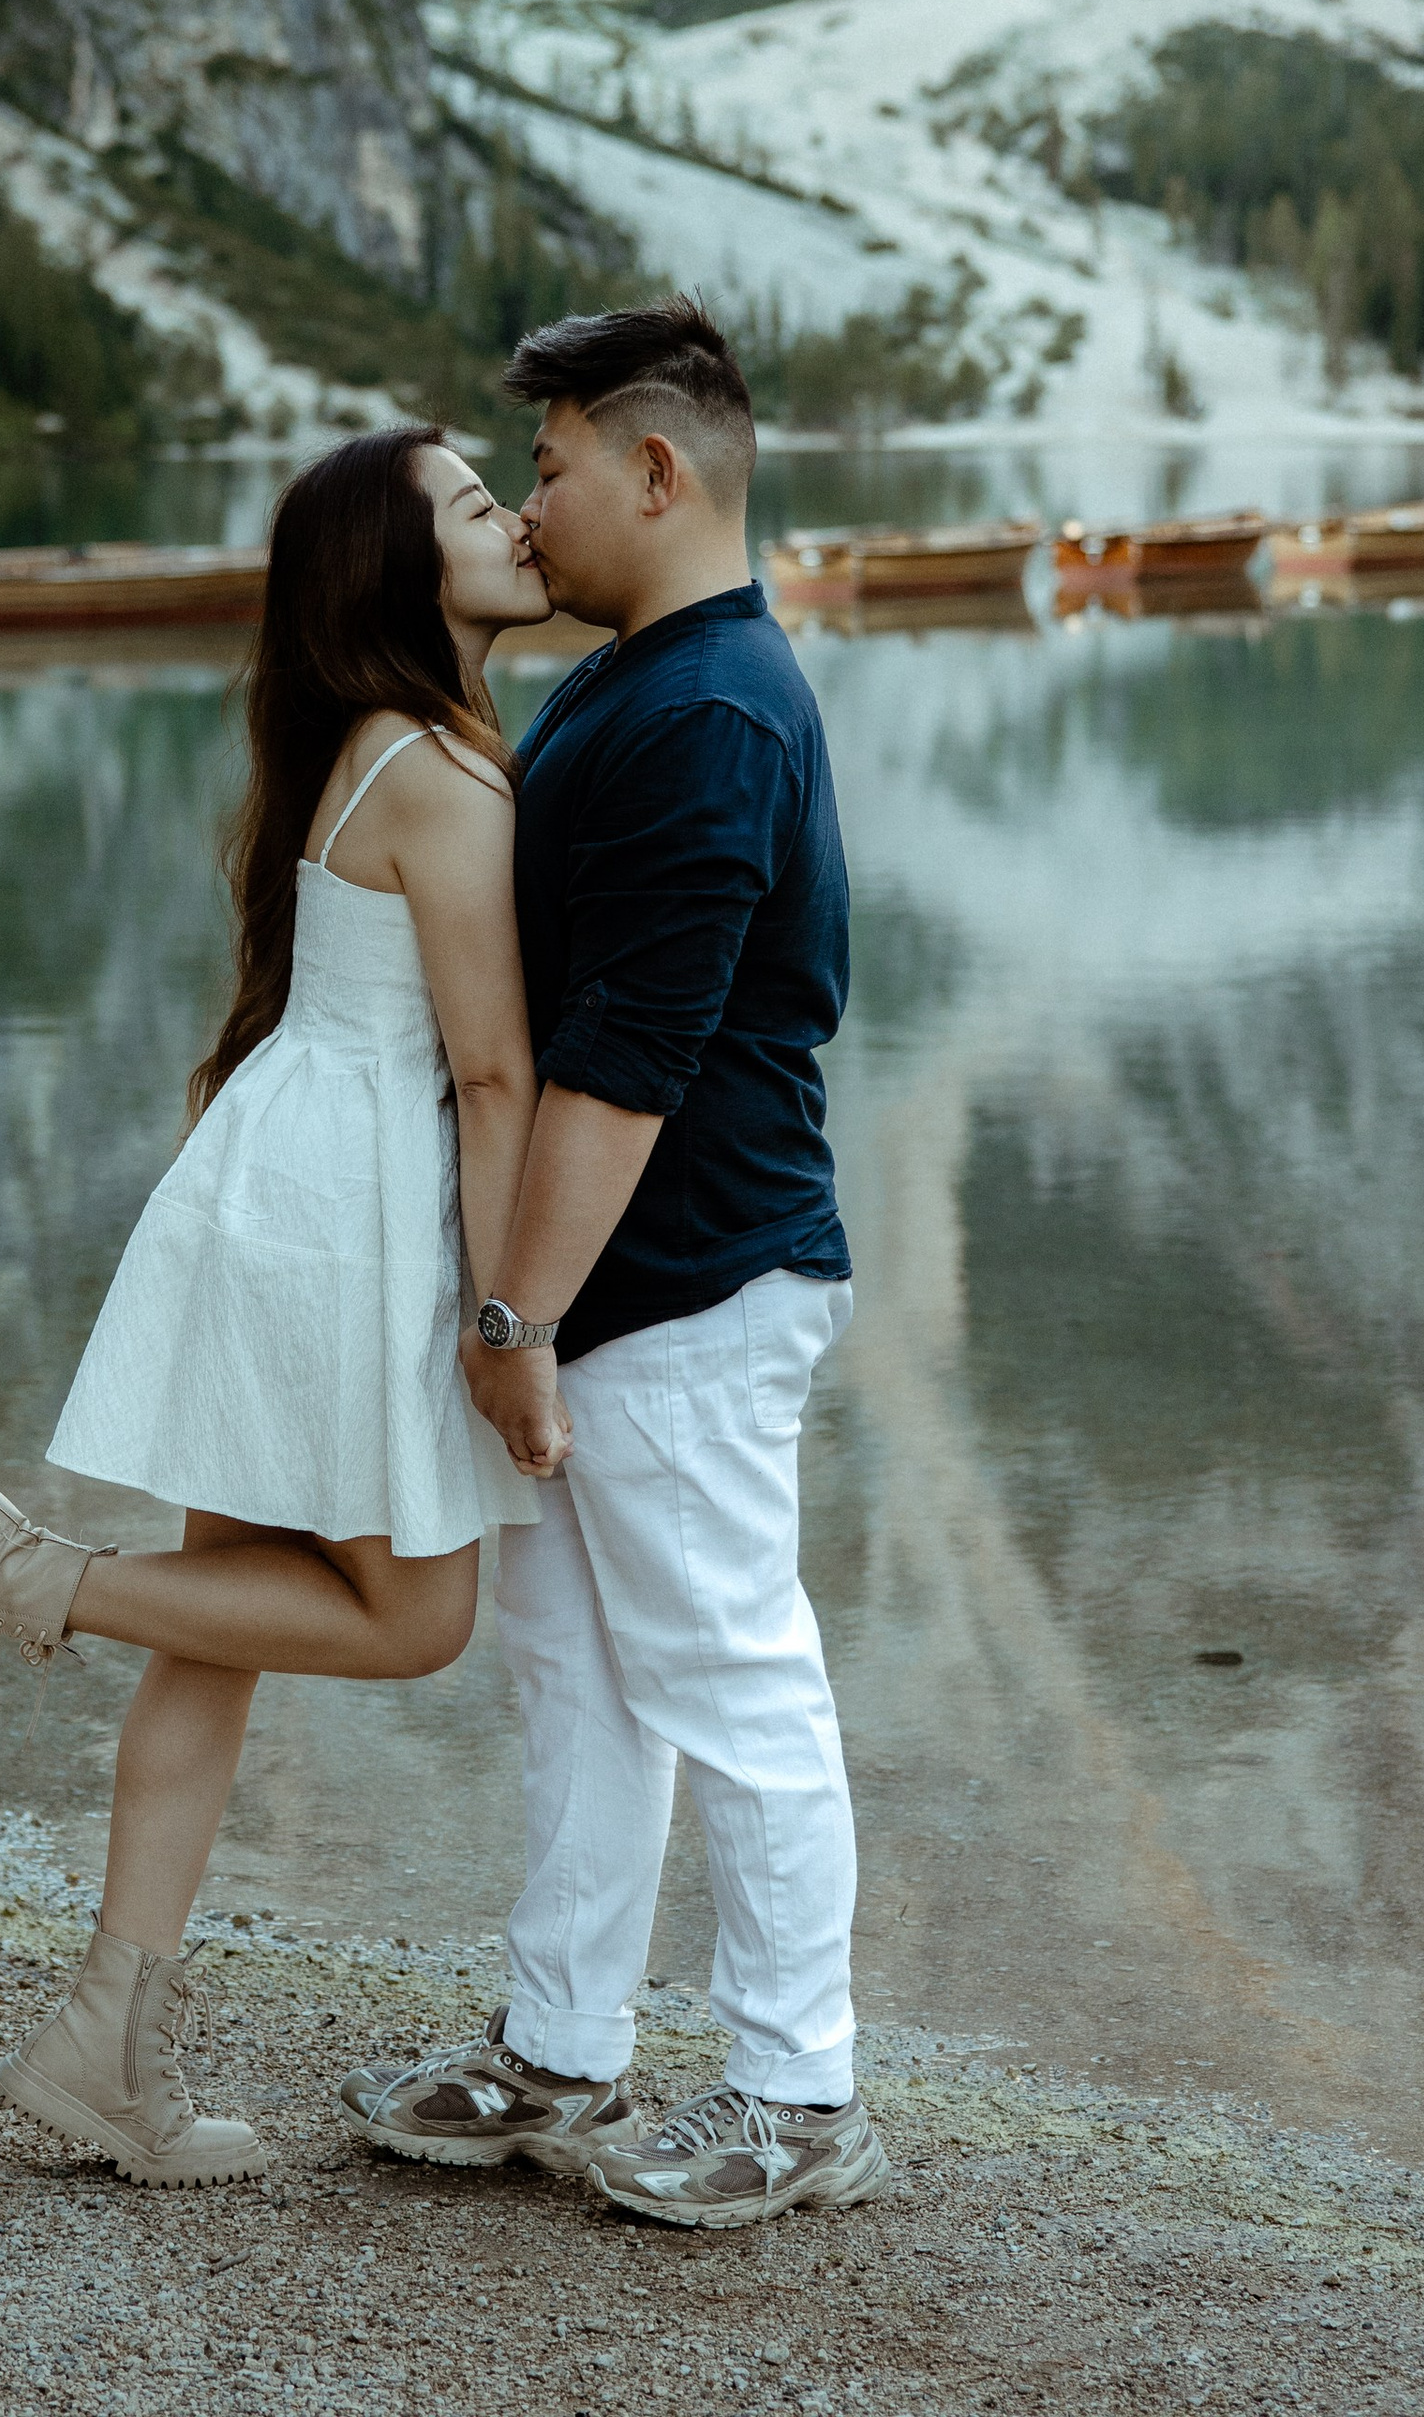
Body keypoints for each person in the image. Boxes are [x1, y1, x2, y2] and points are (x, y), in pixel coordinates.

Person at [0, 426, 556, 2186]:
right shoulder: (444, 770)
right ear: (400, 574)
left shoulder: (385, 747)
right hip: (346, 1217)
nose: (512, 518)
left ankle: (102, 2048)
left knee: (214, 1624)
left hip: (289, 1186)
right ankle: (13, 1568)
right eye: (469, 506)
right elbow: (499, 1072)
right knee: (417, 1618)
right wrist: (511, 1325)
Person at [338, 296, 888, 2232]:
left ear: (660, 472)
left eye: (553, 464)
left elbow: (621, 1069)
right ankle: (559, 2046)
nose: (536, 505)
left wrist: (514, 1313)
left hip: (685, 1278)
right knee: (577, 1672)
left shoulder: (708, 713)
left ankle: (792, 2083)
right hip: (619, 1287)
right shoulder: (649, 684)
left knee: (728, 1668)